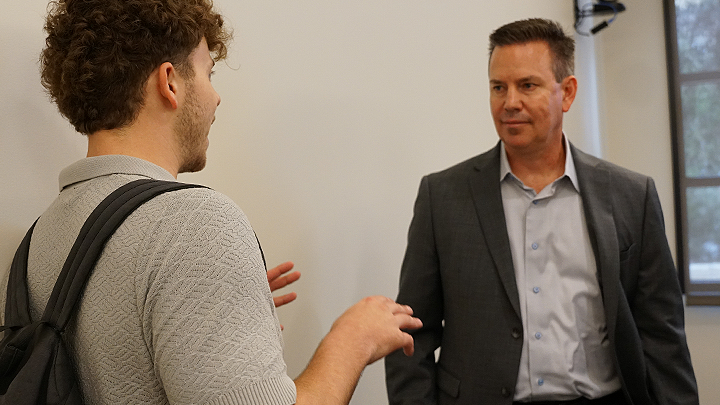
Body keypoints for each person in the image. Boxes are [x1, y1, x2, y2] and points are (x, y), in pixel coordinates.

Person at [0, 0, 422, 404]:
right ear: (170, 82)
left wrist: (215, 305)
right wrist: (352, 340)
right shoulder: (195, 226)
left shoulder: (40, 237)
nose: (216, 97)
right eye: (208, 72)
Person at [384, 18, 698, 405]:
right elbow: (411, 332)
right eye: (498, 87)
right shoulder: (442, 197)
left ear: (566, 93)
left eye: (527, 85)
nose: (509, 102)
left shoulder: (633, 196)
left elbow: (662, 336)